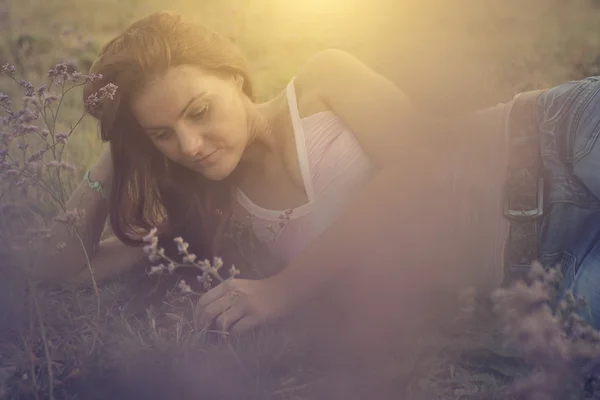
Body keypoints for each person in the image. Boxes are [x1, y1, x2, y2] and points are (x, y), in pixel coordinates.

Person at [33, 10, 600, 335]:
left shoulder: (323, 81)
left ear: (232, 75)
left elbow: (420, 167)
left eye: (198, 112)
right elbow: (64, 267)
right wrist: (121, 145)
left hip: (557, 137)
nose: (190, 145)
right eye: (164, 135)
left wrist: (285, 289)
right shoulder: (215, 214)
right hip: (547, 278)